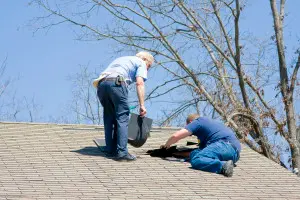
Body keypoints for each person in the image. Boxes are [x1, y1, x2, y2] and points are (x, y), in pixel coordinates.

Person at [93, 51, 154, 161]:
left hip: (101, 85)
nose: (147, 70)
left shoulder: (123, 59)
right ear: (145, 60)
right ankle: (122, 153)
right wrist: (142, 105)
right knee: (122, 118)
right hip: (117, 83)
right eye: (148, 66)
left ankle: (110, 150)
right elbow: (140, 83)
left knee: (109, 118)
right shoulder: (141, 62)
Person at [161, 114, 241, 177]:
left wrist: (166, 146)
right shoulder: (212, 128)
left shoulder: (199, 121)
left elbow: (176, 136)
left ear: (191, 122)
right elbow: (198, 153)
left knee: (197, 159)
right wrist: (175, 153)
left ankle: (222, 165)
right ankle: (225, 164)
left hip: (224, 145)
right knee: (196, 154)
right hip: (234, 154)